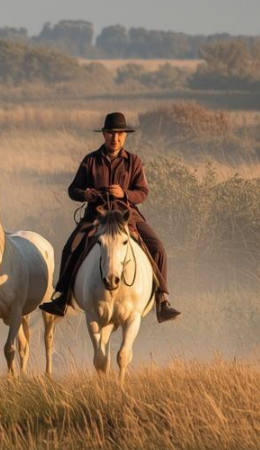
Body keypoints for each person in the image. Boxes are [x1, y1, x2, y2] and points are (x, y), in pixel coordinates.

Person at [39, 112, 181, 323]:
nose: (115, 138)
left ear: (125, 136)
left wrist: (123, 194)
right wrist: (85, 194)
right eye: (111, 133)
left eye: (119, 134)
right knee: (69, 248)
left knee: (158, 248)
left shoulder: (133, 161)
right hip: (97, 216)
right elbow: (72, 190)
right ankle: (62, 297)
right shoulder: (90, 160)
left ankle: (162, 300)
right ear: (104, 135)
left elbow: (142, 192)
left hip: (127, 216)